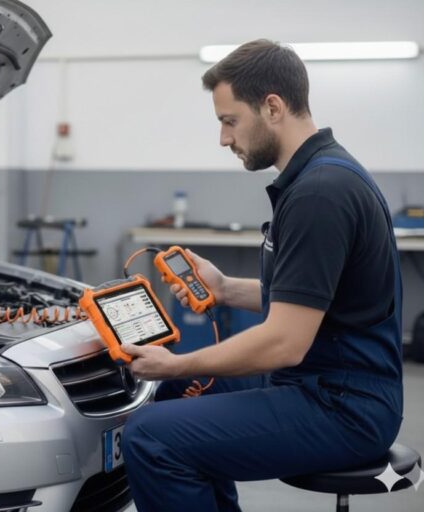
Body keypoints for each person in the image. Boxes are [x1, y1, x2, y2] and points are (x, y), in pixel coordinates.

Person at [120, 39, 403, 512]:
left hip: (343, 407)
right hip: (321, 384)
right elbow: (307, 301)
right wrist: (226, 289)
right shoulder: (320, 174)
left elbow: (283, 343)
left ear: (272, 107)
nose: (224, 139)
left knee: (151, 437)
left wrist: (178, 362)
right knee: (172, 399)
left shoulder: (320, 194)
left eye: (229, 121)